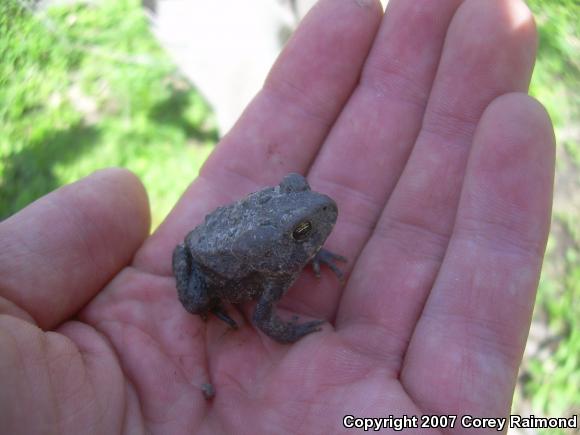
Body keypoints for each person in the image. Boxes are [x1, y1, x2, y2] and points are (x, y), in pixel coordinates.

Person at [0, 0, 555, 433]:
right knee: (195, 300)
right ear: (285, 250)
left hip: (235, 232)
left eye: (304, 218)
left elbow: (294, 228)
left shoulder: (284, 254)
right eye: (303, 235)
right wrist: (302, 327)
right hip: (210, 257)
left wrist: (310, 247)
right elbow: (266, 319)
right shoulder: (270, 274)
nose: (316, 218)